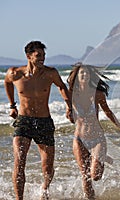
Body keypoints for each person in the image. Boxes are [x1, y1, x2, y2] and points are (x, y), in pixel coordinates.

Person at [4, 41, 74, 200]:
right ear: (28, 56)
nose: (42, 59)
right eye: (38, 56)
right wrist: (12, 105)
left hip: (44, 122)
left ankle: (45, 189)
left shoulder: (50, 73)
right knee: (19, 161)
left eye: (43, 55)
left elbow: (62, 86)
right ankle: (19, 198)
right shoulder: (15, 74)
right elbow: (7, 83)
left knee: (47, 168)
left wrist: (68, 107)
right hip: (23, 122)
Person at [67, 63, 120, 199]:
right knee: (85, 176)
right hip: (79, 139)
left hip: (97, 139)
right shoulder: (72, 94)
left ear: (91, 77)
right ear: (77, 76)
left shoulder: (97, 94)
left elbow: (108, 112)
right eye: (81, 73)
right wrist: (69, 112)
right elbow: (69, 110)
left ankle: (99, 157)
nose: (84, 75)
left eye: (87, 73)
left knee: (95, 176)